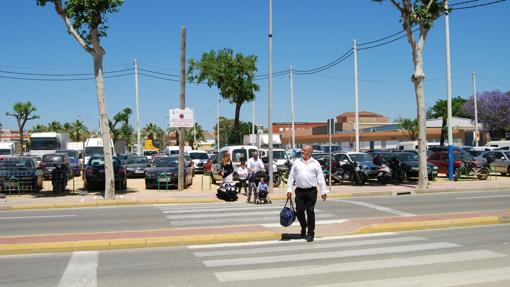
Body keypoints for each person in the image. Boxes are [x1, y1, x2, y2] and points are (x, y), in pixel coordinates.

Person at [286, 145, 329, 242]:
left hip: (311, 191)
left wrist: (323, 191)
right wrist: (289, 189)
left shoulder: (315, 163)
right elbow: (291, 176)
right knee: (299, 211)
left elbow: (320, 178)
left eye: (304, 150)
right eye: (302, 150)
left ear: (309, 153)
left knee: (310, 211)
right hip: (299, 191)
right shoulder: (297, 162)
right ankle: (303, 226)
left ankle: (310, 232)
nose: (302, 151)